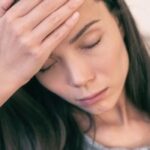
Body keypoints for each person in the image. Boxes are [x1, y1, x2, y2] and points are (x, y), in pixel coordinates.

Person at [0, 0, 150, 150]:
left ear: (118, 21)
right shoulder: (23, 138)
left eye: (91, 42)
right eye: (45, 66)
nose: (80, 78)